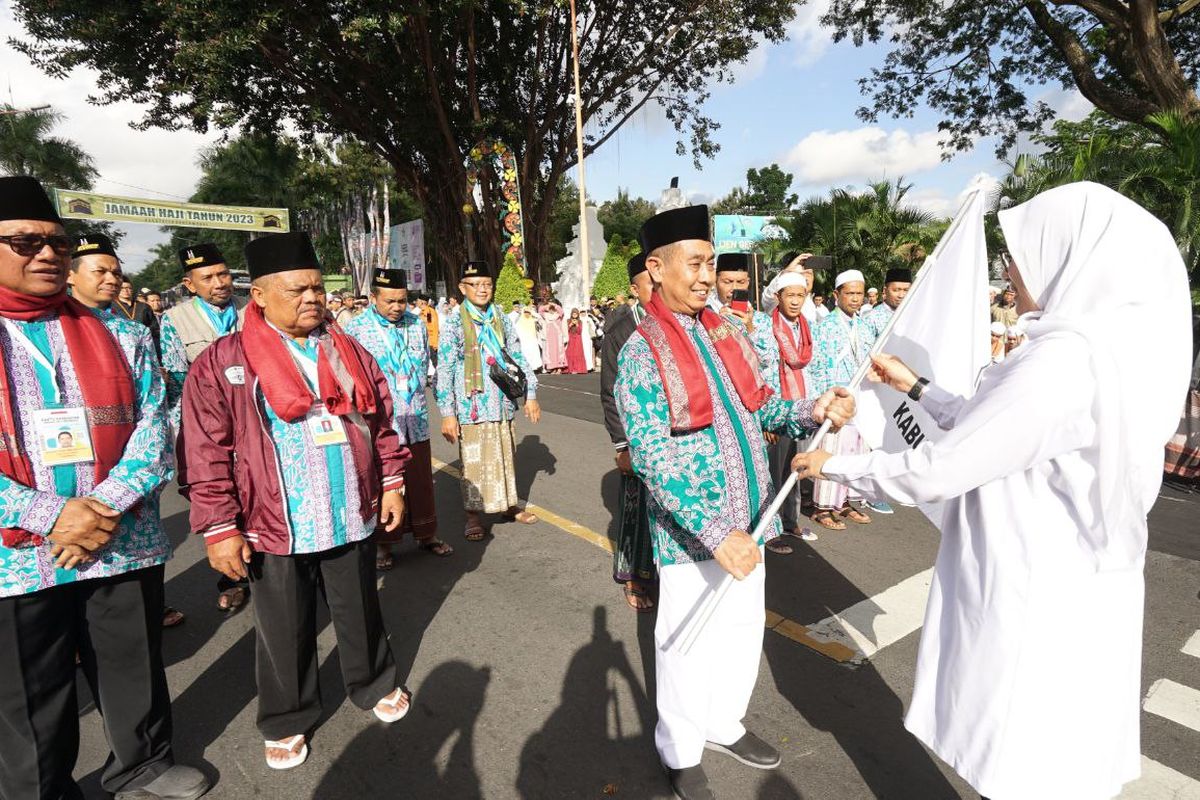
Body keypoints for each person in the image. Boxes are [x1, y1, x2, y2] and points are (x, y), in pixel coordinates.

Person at [791, 181, 1192, 800]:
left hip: (1036, 587)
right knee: (1053, 752)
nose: (1008, 268)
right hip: (1070, 578)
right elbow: (990, 424)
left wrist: (836, 467)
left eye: (1022, 254)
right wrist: (913, 385)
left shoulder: (1059, 365)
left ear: (1069, 262)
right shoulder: (1089, 353)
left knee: (1023, 754)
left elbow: (944, 466)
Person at [615, 204, 856, 800]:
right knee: (685, 640)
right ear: (657, 266)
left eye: (709, 264)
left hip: (754, 518)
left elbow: (763, 406)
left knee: (742, 630)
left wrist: (813, 408)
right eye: (693, 264)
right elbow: (651, 458)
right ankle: (681, 748)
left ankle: (722, 723)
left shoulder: (723, 332)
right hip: (695, 533)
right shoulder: (642, 351)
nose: (704, 276)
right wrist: (715, 530)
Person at [0, 176, 209, 800]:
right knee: (28, 687)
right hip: (19, 555)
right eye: (24, 242)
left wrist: (104, 507)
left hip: (119, 535)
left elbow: (156, 421)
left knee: (130, 662)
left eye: (58, 243)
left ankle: (142, 766)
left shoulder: (122, 333)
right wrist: (49, 514)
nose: (46, 254)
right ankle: (38, 789)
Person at [178, 231, 412, 771]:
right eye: (296, 290)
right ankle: (288, 716)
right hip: (273, 521)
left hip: (348, 510)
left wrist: (394, 482)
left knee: (359, 608)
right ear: (258, 295)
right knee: (284, 626)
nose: (311, 298)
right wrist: (219, 527)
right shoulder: (223, 362)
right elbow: (205, 450)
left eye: (316, 288)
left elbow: (381, 423)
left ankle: (372, 681)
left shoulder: (349, 351)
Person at [70, 235, 185, 627]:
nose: (112, 279)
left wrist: (101, 509)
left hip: (124, 501)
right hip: (56, 520)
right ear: (71, 276)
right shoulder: (24, 334)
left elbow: (153, 420)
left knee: (131, 643)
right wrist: (60, 516)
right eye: (99, 271)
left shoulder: (131, 334)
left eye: (116, 272)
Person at [158, 243, 249, 613]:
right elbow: (178, 384)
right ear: (189, 284)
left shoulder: (250, 310)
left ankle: (269, 571)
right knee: (220, 502)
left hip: (253, 424)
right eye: (208, 277)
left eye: (223, 274)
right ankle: (234, 578)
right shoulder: (175, 320)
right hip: (208, 430)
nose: (219, 283)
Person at [344, 268, 453, 568]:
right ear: (374, 298)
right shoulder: (356, 330)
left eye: (402, 301)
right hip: (382, 423)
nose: (396, 307)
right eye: (389, 301)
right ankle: (384, 545)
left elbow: (424, 367)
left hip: (415, 416)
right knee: (385, 482)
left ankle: (426, 534)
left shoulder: (416, 324)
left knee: (420, 480)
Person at [437, 261, 542, 541]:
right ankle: (473, 515)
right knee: (473, 460)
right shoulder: (453, 323)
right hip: (471, 402)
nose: (483, 290)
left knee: (506, 453)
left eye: (487, 284)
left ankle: (508, 505)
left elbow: (516, 354)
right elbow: (445, 369)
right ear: (462, 288)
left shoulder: (501, 317)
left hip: (502, 399)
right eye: (476, 285)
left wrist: (530, 392)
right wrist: (447, 413)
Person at [600, 253, 657, 611]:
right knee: (636, 508)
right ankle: (633, 575)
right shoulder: (622, 329)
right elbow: (609, 390)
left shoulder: (676, 321)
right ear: (635, 289)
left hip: (671, 434)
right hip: (636, 437)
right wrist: (622, 445)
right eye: (650, 283)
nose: (658, 288)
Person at [806, 268, 875, 530]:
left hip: (859, 400)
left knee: (855, 452)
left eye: (859, 293)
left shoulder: (863, 325)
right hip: (836, 399)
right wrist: (826, 400)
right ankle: (822, 507)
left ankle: (844, 501)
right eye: (850, 293)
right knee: (831, 451)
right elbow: (818, 365)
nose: (855, 298)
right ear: (837, 295)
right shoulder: (826, 326)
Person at [762, 270, 818, 542]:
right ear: (778, 297)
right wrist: (764, 417)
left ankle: (790, 519)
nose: (796, 301)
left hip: (800, 408)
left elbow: (813, 368)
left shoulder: (807, 328)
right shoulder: (764, 326)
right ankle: (768, 528)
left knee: (794, 468)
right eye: (790, 296)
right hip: (774, 410)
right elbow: (758, 370)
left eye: (801, 295)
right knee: (771, 472)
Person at [863, 268, 911, 339]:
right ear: (885, 291)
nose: (901, 295)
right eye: (896, 290)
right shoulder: (871, 318)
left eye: (906, 290)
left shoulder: (915, 315)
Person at [538, 299, 567, 373]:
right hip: (549, 337)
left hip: (558, 336)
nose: (551, 310)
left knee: (559, 351)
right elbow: (540, 310)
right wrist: (547, 306)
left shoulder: (558, 315)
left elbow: (561, 311)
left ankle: (559, 368)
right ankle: (553, 367)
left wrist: (554, 305)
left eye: (552, 309)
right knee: (551, 352)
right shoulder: (546, 315)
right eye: (550, 309)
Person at [515, 307, 543, 372]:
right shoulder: (519, 321)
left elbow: (540, 317)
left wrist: (531, 311)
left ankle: (534, 369)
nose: (527, 314)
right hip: (524, 341)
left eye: (528, 313)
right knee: (526, 355)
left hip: (532, 340)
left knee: (533, 354)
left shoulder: (533, 320)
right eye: (525, 313)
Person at [416, 294, 440, 367]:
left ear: (422, 302)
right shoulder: (422, 312)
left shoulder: (429, 312)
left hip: (431, 342)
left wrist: (435, 343)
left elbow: (433, 327)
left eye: (417, 301)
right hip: (425, 342)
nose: (416, 302)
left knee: (435, 362)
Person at [565, 308, 589, 374]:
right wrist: (571, 324)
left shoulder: (580, 321)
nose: (574, 315)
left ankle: (577, 369)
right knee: (570, 352)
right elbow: (566, 329)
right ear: (571, 314)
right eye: (573, 313)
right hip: (570, 337)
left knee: (577, 353)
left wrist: (577, 324)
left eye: (576, 314)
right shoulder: (568, 320)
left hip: (578, 338)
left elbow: (579, 331)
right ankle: (569, 369)